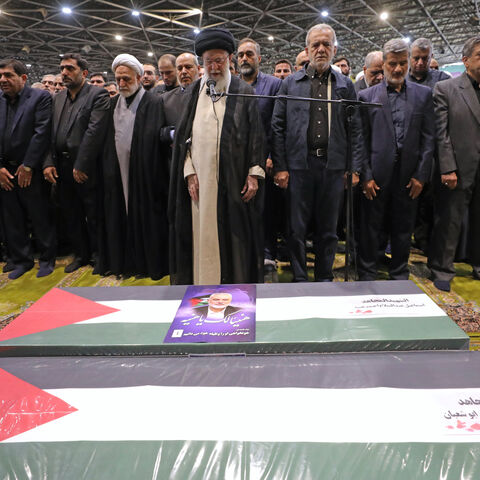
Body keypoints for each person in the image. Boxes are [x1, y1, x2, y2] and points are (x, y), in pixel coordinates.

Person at [169, 27, 265, 285]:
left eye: (219, 60)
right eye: (208, 61)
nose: (213, 67)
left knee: (235, 237)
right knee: (203, 234)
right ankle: (205, 283)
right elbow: (183, 140)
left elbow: (257, 136)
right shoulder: (194, 92)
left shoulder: (243, 92)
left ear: (230, 59)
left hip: (234, 182)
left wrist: (254, 175)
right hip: (201, 184)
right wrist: (188, 173)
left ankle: (234, 285)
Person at [271, 23, 363, 283]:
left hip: (334, 167)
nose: (321, 49)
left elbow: (356, 129)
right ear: (307, 50)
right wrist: (280, 166)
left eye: (326, 45)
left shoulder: (345, 85)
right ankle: (300, 278)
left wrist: (354, 168)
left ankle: (324, 278)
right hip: (299, 166)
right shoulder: (290, 83)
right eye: (315, 45)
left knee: (329, 230)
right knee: (296, 228)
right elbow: (277, 127)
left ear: (334, 49)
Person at [357, 38, 435, 281]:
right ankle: (367, 271)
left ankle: (399, 273)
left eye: (403, 63)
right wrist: (366, 176)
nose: (398, 69)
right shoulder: (366, 96)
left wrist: (422, 175)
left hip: (409, 176)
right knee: (371, 227)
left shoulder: (424, 95)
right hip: (376, 177)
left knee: (403, 227)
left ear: (409, 63)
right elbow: (361, 141)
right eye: (392, 64)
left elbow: (429, 139)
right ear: (384, 64)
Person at [97, 54, 169, 280]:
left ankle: (148, 264)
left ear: (138, 77)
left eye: (126, 79)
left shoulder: (154, 102)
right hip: (118, 171)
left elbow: (159, 137)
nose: (121, 84)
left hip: (145, 175)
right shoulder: (112, 104)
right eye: (118, 79)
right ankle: (125, 263)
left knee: (147, 218)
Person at [43, 53, 110, 273]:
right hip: (61, 167)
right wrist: (49, 161)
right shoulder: (58, 98)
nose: (64, 72)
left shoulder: (97, 95)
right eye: (62, 68)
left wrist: (81, 165)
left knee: (93, 213)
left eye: (70, 68)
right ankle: (81, 254)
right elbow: (50, 134)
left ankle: (100, 256)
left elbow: (94, 132)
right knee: (70, 213)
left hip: (86, 167)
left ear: (84, 73)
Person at [428, 35, 480, 291]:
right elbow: (441, 133)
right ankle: (441, 269)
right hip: (458, 167)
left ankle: (477, 263)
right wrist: (447, 167)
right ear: (465, 60)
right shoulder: (446, 89)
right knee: (450, 220)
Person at [0, 59, 56, 279]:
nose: (3, 79)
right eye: (1, 75)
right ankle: (22, 260)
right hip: (5, 172)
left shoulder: (39, 98)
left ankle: (46, 259)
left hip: (29, 170)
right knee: (12, 219)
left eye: (8, 75)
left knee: (40, 215)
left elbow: (41, 132)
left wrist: (29, 165)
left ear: (23, 78)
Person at [238, 37, 283, 280]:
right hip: (237, 162)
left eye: (249, 54)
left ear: (259, 59)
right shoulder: (231, 85)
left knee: (266, 211)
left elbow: (277, 125)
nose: (244, 58)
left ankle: (267, 256)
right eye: (241, 55)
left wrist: (270, 157)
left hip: (265, 161)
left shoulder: (274, 85)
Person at [408, 38, 450, 254]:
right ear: (409, 58)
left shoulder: (442, 81)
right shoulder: (401, 79)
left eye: (425, 58)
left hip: (434, 150)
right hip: (408, 148)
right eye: (416, 58)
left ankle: (425, 241)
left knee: (430, 197)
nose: (420, 62)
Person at [160, 52, 200, 147]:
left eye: (188, 67)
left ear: (198, 69)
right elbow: (157, 131)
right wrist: (173, 134)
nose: (184, 71)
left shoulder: (211, 96)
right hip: (175, 157)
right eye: (179, 68)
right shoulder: (164, 100)